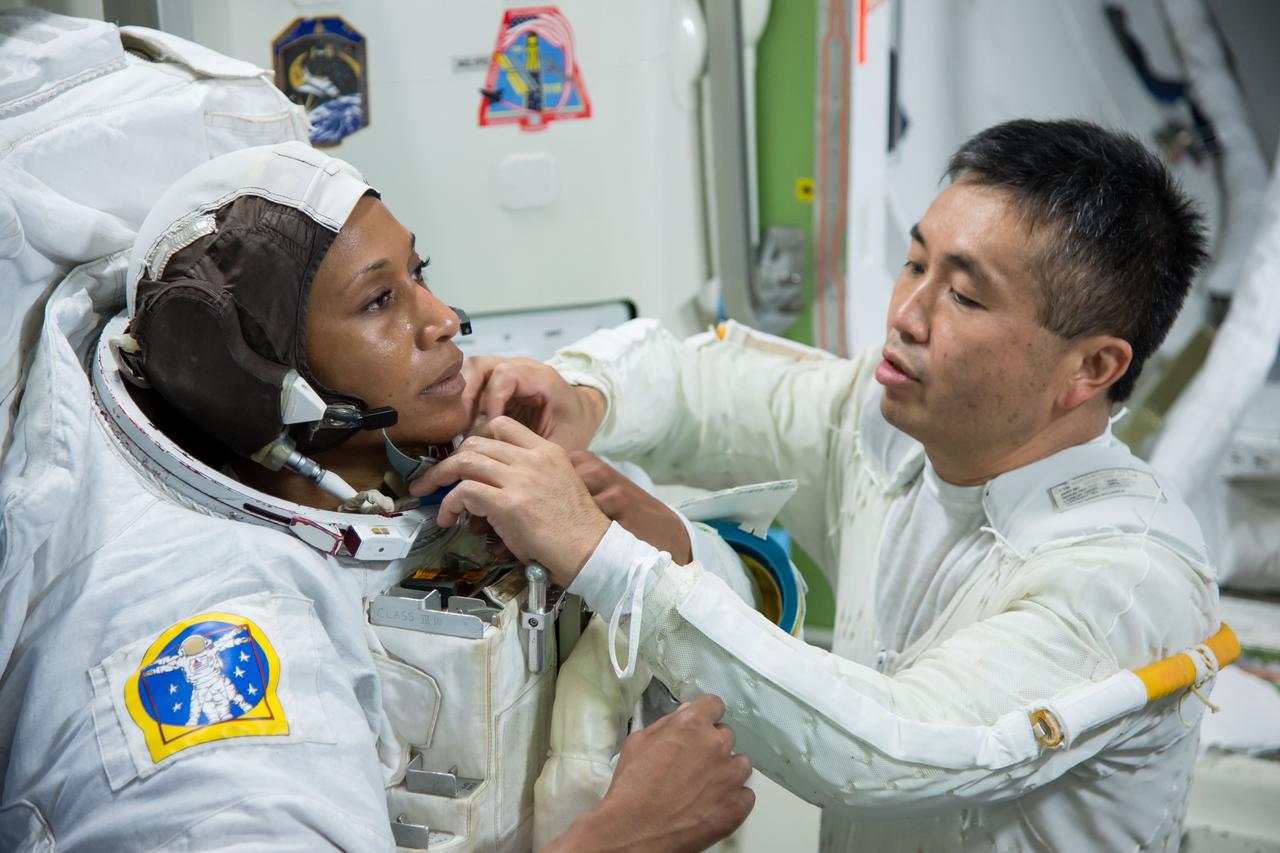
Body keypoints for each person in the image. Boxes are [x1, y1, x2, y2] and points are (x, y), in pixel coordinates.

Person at [412, 119, 1223, 851]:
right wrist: (584, 395)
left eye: (966, 294)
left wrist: (607, 558)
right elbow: (702, 381)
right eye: (914, 263)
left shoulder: (1123, 580)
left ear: (1092, 367)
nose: (907, 312)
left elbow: (891, 750)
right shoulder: (893, 429)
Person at [0, 141, 769, 851]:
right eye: (379, 303)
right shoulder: (225, 655)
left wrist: (630, 530)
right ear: (257, 384)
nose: (442, 320)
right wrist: (623, 835)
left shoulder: (420, 461)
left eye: (419, 273)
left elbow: (758, 608)